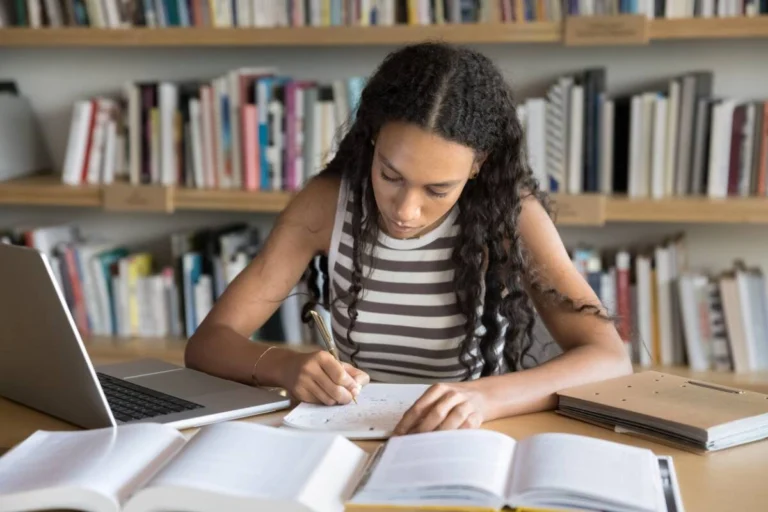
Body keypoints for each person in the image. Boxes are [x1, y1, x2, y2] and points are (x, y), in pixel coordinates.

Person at [185, 42, 633, 435]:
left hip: (468, 432)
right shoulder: (325, 205)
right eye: (390, 175)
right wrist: (284, 365)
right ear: (374, 138)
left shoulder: (510, 216)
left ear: (478, 165)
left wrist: (483, 398)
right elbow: (208, 343)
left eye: (437, 190)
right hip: (351, 429)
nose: (405, 211)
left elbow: (610, 358)